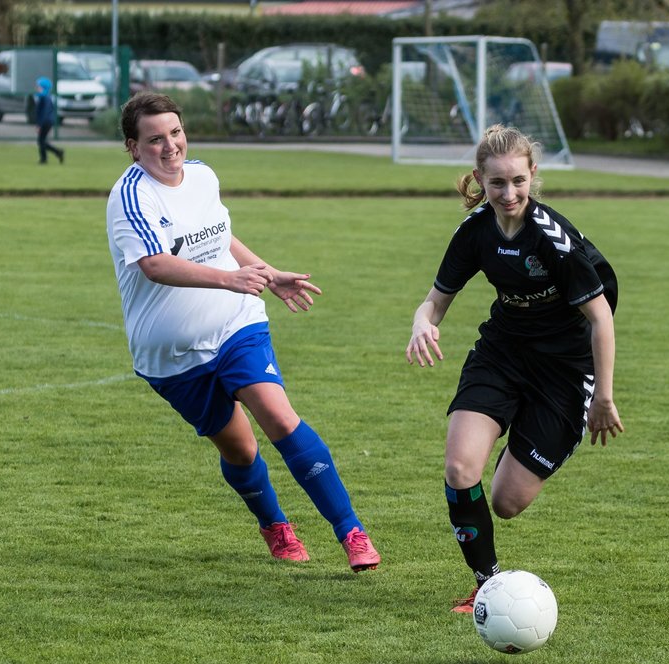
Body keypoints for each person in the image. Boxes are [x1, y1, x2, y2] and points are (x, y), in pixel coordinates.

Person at [105, 91, 380, 570]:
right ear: (132, 146)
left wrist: (265, 275)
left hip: (237, 325)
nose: (170, 146)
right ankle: (275, 524)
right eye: (154, 139)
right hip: (171, 354)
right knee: (240, 447)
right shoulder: (131, 196)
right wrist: (230, 279)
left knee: (278, 416)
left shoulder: (204, 177)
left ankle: (351, 532)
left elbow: (220, 235)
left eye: (175, 132)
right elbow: (153, 264)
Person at [405, 124, 623, 612]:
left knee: (506, 502)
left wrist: (603, 398)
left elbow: (601, 318)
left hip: (565, 371)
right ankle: (487, 582)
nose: (509, 193)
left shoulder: (553, 239)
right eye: (497, 183)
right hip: (502, 353)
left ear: (533, 176)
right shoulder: (475, 232)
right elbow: (434, 302)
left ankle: (520, 437)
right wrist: (422, 324)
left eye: (518, 181)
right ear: (480, 179)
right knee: (461, 468)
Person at [33, 77, 64, 165]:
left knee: (41, 141)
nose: (37, 88)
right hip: (47, 121)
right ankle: (55, 153)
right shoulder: (45, 97)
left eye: (38, 86)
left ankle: (45, 158)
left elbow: (44, 112)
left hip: (45, 122)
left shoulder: (44, 97)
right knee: (42, 141)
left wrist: (39, 125)